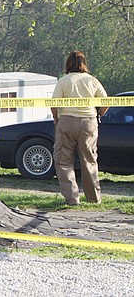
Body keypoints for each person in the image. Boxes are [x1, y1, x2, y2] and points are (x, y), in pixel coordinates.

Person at [50, 51, 108, 205]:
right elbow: (106, 101)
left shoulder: (63, 81)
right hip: (89, 122)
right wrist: (98, 114)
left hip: (67, 121)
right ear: (84, 63)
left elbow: (54, 104)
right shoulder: (92, 80)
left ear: (68, 64)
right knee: (89, 160)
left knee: (63, 161)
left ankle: (72, 198)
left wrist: (56, 119)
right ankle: (94, 198)